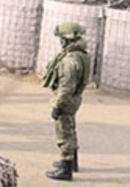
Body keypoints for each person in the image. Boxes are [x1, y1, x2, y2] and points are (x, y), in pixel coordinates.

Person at [43, 22, 89, 181]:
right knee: (71, 128)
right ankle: (72, 162)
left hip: (66, 100)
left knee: (64, 133)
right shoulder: (82, 55)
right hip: (75, 98)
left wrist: (58, 106)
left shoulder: (69, 61)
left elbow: (66, 88)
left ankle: (66, 167)